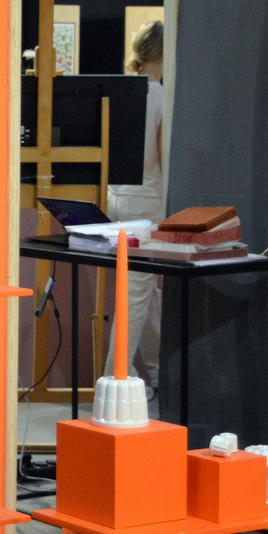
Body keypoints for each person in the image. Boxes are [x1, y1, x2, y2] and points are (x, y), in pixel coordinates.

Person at [104, 19, 164, 392]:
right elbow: (163, 159)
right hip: (147, 206)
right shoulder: (159, 96)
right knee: (136, 297)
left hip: (116, 200)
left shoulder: (117, 91)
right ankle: (114, 381)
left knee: (147, 293)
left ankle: (159, 373)